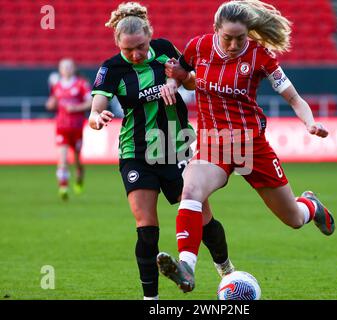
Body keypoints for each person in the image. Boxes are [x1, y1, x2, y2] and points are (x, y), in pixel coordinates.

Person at [157, 0, 336, 293]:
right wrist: (172, 85)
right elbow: (185, 78)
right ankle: (186, 267)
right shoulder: (198, 47)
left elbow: (294, 98)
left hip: (251, 145)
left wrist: (310, 123)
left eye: (241, 37)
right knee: (190, 190)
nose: (234, 43)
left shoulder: (259, 55)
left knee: (292, 218)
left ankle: (311, 206)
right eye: (228, 37)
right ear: (216, 30)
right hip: (213, 144)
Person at [88, 2, 234, 300]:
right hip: (136, 153)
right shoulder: (111, 68)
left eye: (140, 47)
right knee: (146, 226)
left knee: (202, 217)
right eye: (128, 50)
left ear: (149, 36)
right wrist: (97, 119)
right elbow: (94, 112)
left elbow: (193, 82)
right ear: (118, 45)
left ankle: (227, 270)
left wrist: (175, 78)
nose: (136, 55)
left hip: (175, 148)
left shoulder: (166, 49)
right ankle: (150, 300)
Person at [46, 58, 92, 200]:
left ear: (73, 68)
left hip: (77, 126)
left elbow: (90, 103)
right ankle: (63, 186)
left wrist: (76, 108)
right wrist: (50, 104)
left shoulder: (81, 84)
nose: (66, 69)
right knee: (63, 158)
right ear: (60, 70)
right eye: (63, 67)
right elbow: (52, 103)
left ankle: (79, 175)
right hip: (61, 126)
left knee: (77, 159)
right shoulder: (57, 86)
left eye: (68, 66)